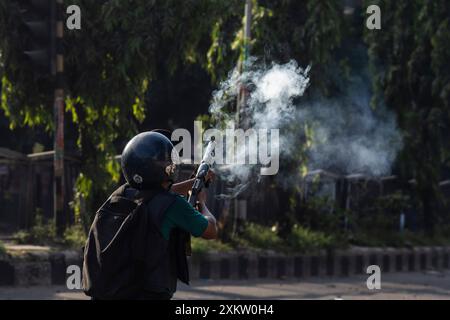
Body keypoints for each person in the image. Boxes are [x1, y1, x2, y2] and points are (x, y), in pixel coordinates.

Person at [84, 131, 217, 300]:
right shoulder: (174, 205)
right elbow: (211, 230)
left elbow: (155, 194)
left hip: (110, 293)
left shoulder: (120, 194)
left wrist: (195, 182)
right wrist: (202, 202)